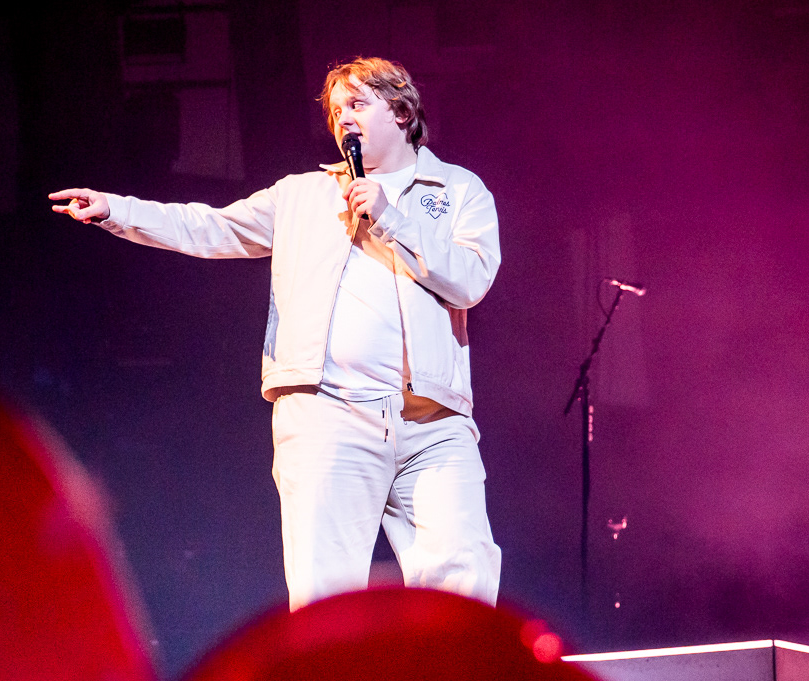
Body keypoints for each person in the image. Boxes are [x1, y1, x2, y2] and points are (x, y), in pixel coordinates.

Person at [50, 57, 501, 611]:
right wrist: (117, 210)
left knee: (463, 575)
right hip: (328, 415)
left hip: (432, 423)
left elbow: (470, 281)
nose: (344, 119)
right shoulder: (302, 195)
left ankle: (459, 672)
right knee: (325, 595)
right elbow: (210, 226)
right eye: (336, 111)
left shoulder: (458, 190)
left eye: (358, 104)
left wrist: (391, 218)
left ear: (402, 111)